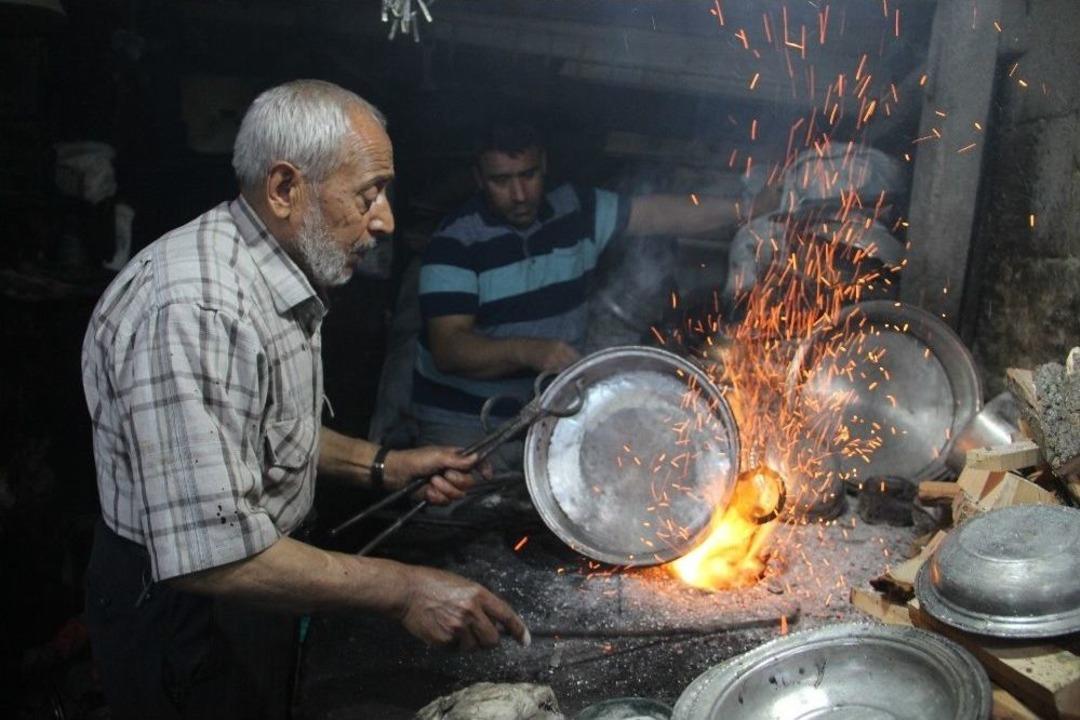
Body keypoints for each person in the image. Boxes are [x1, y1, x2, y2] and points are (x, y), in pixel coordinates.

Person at [80, 80, 527, 720]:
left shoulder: (274, 272)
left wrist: (386, 466)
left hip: (254, 593)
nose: (386, 219)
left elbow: (257, 428)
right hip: (190, 613)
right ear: (285, 188)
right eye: (367, 193)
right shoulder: (197, 309)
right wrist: (405, 590)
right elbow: (213, 553)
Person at [412, 120, 780, 470]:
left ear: (544, 164)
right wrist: (529, 351)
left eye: (528, 175)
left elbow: (662, 214)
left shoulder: (576, 210)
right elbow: (449, 348)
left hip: (545, 418)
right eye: (501, 181)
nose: (520, 194)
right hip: (461, 426)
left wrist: (748, 210)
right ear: (478, 178)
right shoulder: (455, 243)